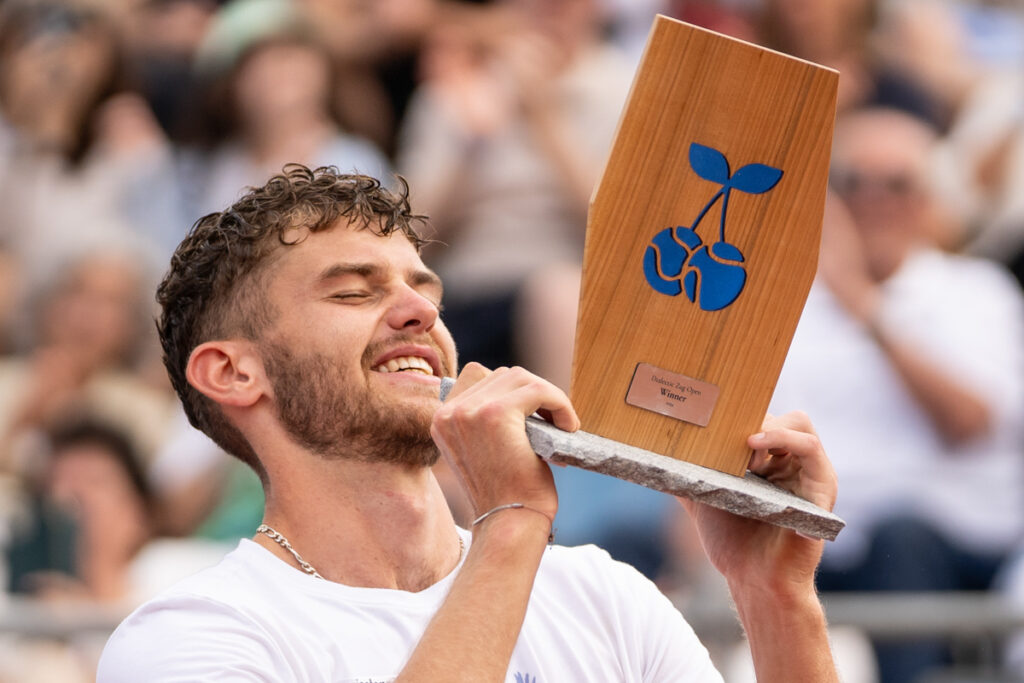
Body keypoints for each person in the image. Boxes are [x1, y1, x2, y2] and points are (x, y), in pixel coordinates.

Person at [98, 165, 839, 681]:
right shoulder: (187, 638)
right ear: (232, 372)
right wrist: (512, 521)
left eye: (423, 288)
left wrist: (775, 597)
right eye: (355, 292)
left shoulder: (603, 596)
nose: (420, 310)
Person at [771, 108, 1024, 682]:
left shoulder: (976, 290)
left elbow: (967, 421)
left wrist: (865, 307)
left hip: (947, 539)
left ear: (929, 197)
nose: (874, 199)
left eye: (897, 183)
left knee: (901, 538)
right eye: (854, 182)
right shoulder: (789, 302)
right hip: (821, 535)